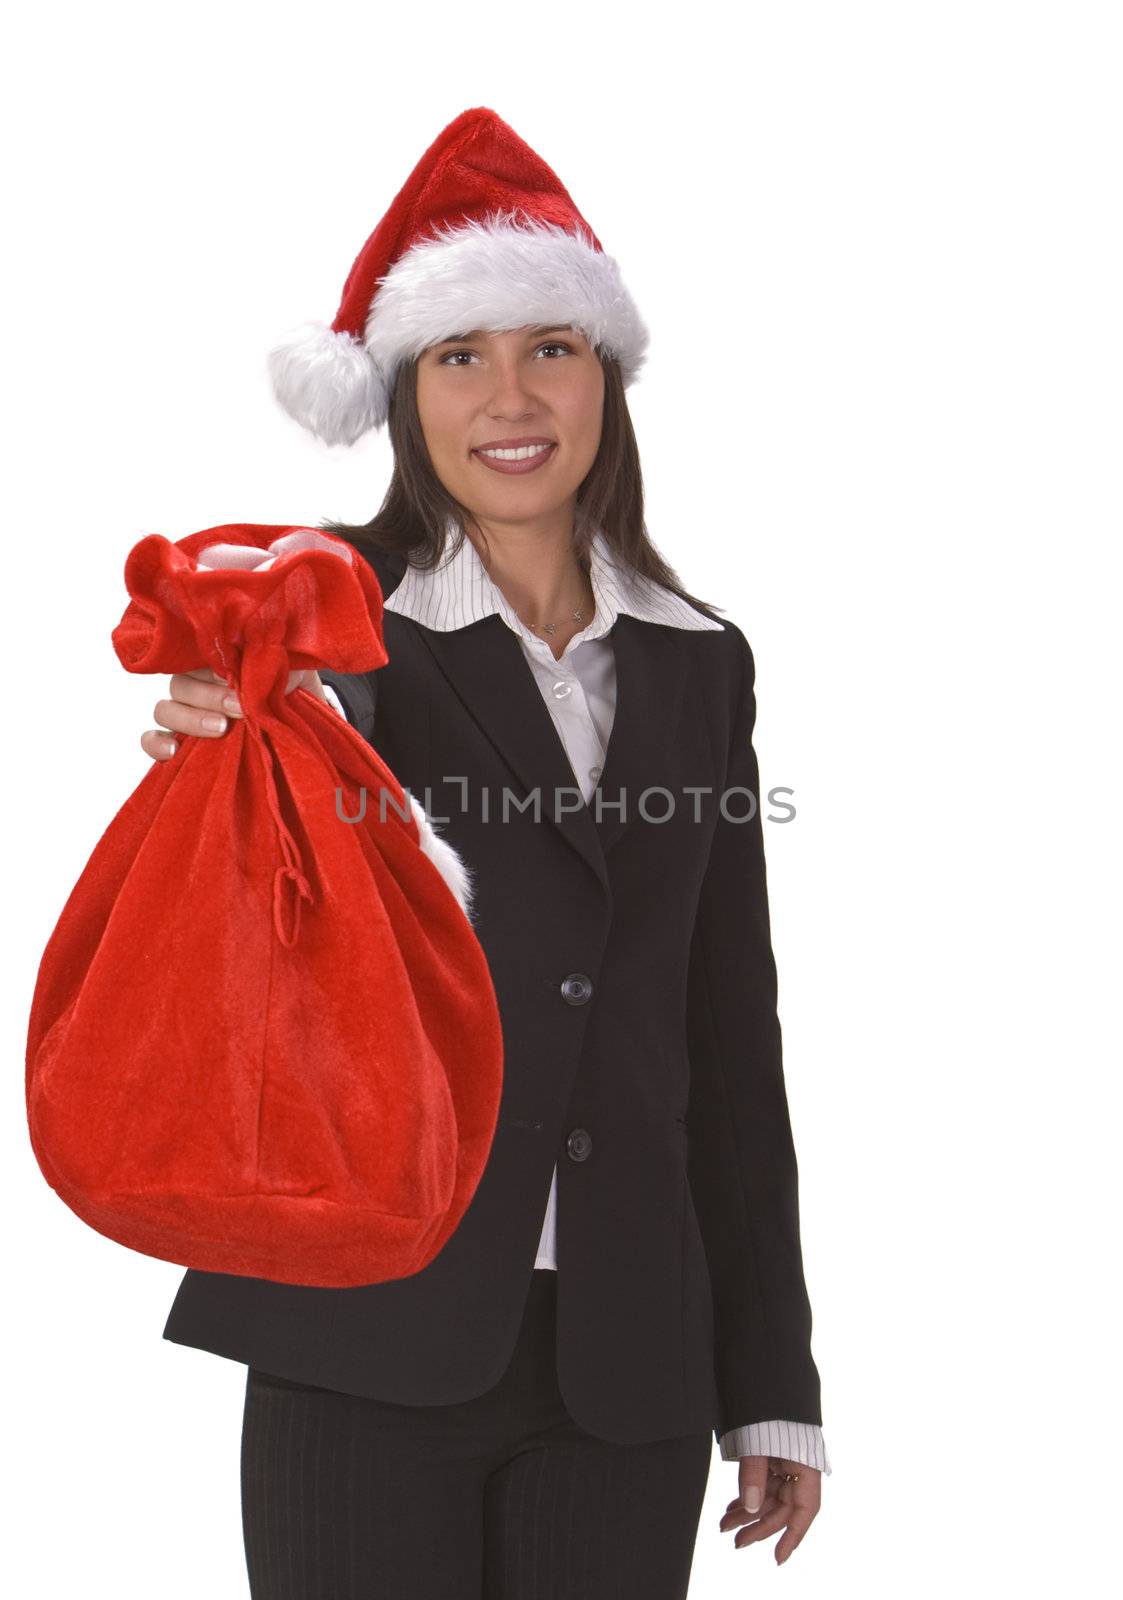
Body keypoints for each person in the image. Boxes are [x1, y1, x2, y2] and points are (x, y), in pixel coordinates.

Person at [141, 107, 831, 1597]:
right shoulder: (319, 620)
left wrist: (772, 1372)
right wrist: (226, 750)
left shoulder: (701, 661)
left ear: (606, 379)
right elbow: (244, 909)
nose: (510, 396)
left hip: (632, 1370)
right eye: (461, 357)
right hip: (366, 1330)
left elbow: (724, 1034)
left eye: (550, 349)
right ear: (404, 395)